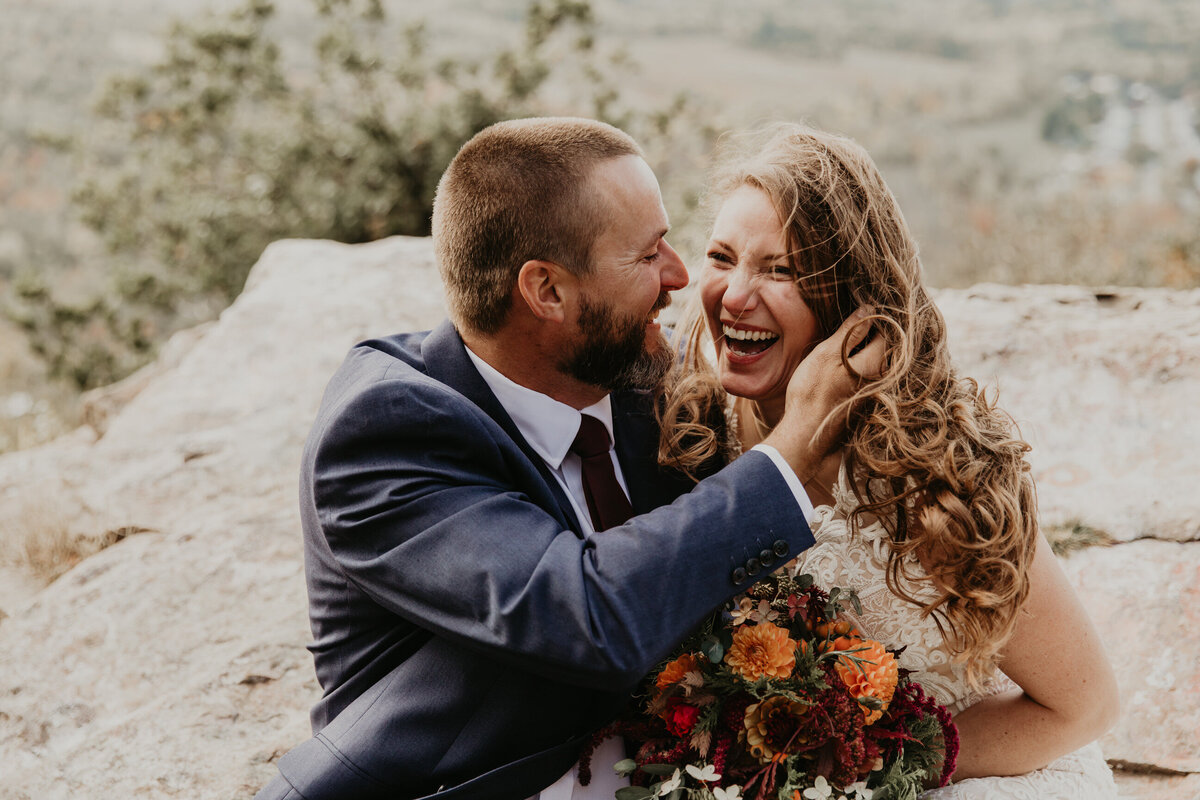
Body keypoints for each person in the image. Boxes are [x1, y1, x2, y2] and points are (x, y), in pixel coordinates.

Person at [253, 117, 884, 800]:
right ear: (547, 291)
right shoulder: (385, 434)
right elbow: (588, 616)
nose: (680, 276)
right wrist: (791, 458)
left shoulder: (639, 373)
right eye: (647, 257)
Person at [658, 122, 1120, 797]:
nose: (733, 296)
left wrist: (851, 770)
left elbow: (1085, 706)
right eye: (722, 257)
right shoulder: (688, 428)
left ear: (854, 298)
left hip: (968, 776)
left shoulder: (934, 469)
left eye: (781, 270)